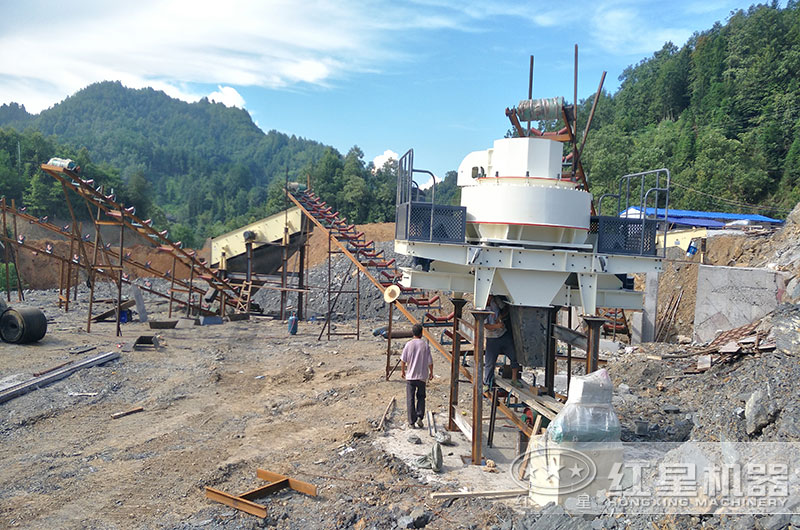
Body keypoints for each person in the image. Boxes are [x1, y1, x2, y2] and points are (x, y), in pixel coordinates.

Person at [483, 295, 521, 392]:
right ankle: (487, 383)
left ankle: (514, 379)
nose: (490, 298)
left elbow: (506, 309)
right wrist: (497, 325)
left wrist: (501, 316)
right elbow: (486, 326)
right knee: (490, 362)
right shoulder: (482, 306)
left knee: (514, 356)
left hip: (503, 334)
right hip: (492, 338)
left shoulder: (495, 301)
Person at [401, 323, 433, 429]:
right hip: (422, 376)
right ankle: (419, 416)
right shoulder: (425, 345)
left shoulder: (408, 344)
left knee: (410, 399)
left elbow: (403, 360)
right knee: (421, 397)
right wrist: (431, 373)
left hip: (411, 376)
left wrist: (403, 371)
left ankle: (411, 422)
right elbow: (430, 362)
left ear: (413, 333)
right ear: (421, 333)